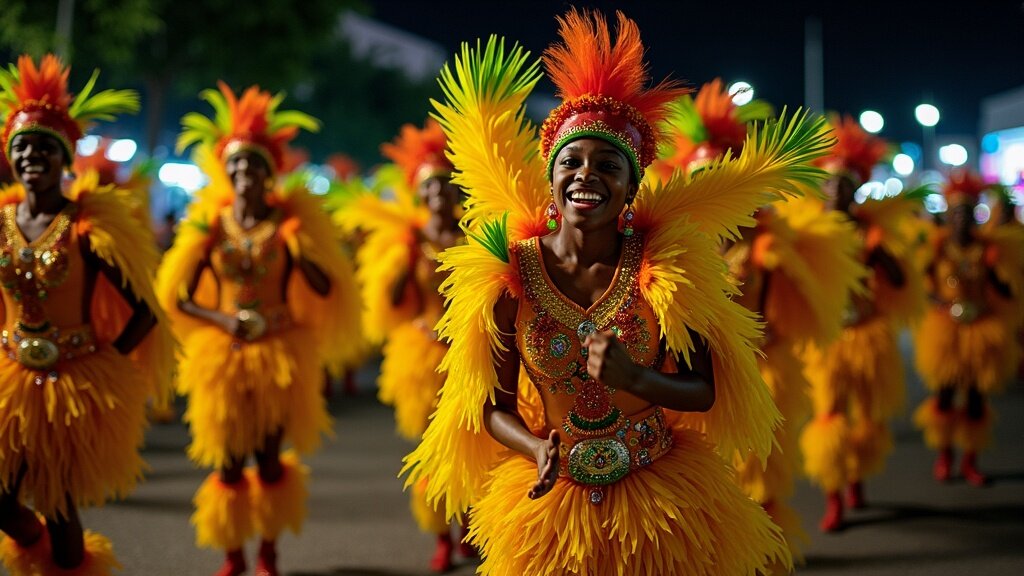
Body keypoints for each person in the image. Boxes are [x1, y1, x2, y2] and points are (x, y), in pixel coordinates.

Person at [401, 10, 836, 574]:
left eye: (609, 165)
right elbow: (494, 407)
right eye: (572, 162)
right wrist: (536, 450)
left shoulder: (667, 271)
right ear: (552, 177)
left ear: (632, 186)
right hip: (554, 501)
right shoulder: (508, 278)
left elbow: (703, 390)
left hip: (659, 488)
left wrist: (636, 379)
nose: (587, 175)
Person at [655, 81, 866, 565]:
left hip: (758, 373)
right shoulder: (671, 245)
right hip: (686, 379)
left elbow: (802, 306)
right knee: (700, 477)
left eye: (719, 178)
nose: (711, 189)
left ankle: (764, 552)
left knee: (760, 473)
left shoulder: (772, 244)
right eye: (700, 178)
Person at [157, 82, 359, 576]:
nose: (245, 174)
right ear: (227, 173)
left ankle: (268, 552)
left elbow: (325, 287)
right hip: (221, 355)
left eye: (255, 166)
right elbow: (179, 295)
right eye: (237, 166)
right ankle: (233, 555)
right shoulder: (212, 224)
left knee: (268, 460)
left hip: (277, 351)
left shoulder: (289, 222)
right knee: (227, 462)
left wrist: (298, 245)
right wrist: (222, 319)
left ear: (269, 175)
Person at [0, 54, 173, 575]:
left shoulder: (86, 227)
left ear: (64, 159)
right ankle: (35, 551)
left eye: (45, 148)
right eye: (22, 146)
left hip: (72, 380)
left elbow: (144, 312)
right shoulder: (1, 219)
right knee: (5, 498)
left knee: (58, 505)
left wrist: (104, 359)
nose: (32, 156)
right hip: (9, 376)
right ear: (11, 157)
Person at [337, 119, 472, 572]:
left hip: (468, 354)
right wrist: (405, 255)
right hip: (420, 355)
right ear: (419, 195)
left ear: (456, 192)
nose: (438, 195)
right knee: (430, 451)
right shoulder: (409, 243)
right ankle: (440, 537)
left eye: (445, 186)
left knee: (474, 445)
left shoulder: (476, 237)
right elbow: (390, 301)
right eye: (430, 189)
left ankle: (471, 525)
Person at [800, 115, 924, 532]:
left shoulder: (871, 234)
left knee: (868, 418)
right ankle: (834, 495)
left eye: (846, 186)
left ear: (856, 192)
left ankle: (856, 478)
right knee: (829, 415)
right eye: (832, 184)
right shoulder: (809, 232)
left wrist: (879, 252)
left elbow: (901, 280)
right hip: (828, 340)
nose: (836, 191)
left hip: (869, 335)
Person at [914, 170, 1022, 486]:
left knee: (975, 399)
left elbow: (1007, 293)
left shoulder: (989, 249)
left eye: (967, 212)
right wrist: (941, 302)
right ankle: (945, 455)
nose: (961, 218)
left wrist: (996, 268)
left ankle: (971, 460)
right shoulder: (936, 248)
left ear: (974, 215)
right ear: (949, 215)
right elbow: (923, 287)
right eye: (956, 212)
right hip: (946, 331)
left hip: (981, 330)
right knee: (945, 395)